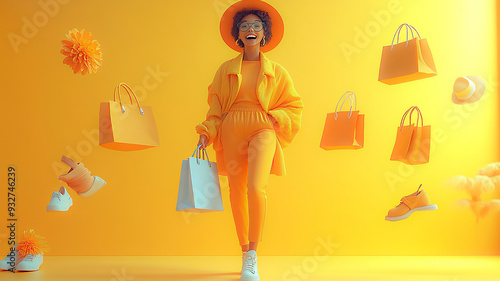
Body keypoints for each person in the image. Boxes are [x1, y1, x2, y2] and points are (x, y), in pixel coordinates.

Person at [195, 1, 303, 280]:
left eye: (256, 25)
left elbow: (294, 106)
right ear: (238, 35)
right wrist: (208, 131)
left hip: (263, 127)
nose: (250, 29)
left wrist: (275, 117)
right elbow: (216, 107)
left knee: (257, 187)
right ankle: (244, 252)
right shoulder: (225, 70)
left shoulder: (277, 71)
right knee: (236, 191)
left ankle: (253, 254)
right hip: (231, 128)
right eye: (244, 26)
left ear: (264, 34)